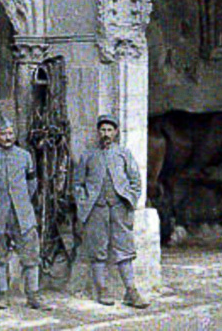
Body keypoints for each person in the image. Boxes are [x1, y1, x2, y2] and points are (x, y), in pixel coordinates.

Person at [0, 114, 51, 310]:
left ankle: (33, 295)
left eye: (11, 133)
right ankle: (3, 294)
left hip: (22, 214)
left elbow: (32, 184)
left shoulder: (24, 156)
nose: (8, 137)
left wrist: (22, 202)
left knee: (31, 256)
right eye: (3, 134)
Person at [73, 113, 150, 309]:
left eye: (109, 130)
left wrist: (129, 200)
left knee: (124, 250)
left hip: (119, 209)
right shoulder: (88, 155)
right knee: (97, 250)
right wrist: (85, 204)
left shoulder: (124, 154)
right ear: (98, 132)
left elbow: (135, 181)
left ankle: (131, 291)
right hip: (96, 210)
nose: (106, 134)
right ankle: (102, 289)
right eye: (102, 130)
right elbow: (77, 184)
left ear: (115, 132)